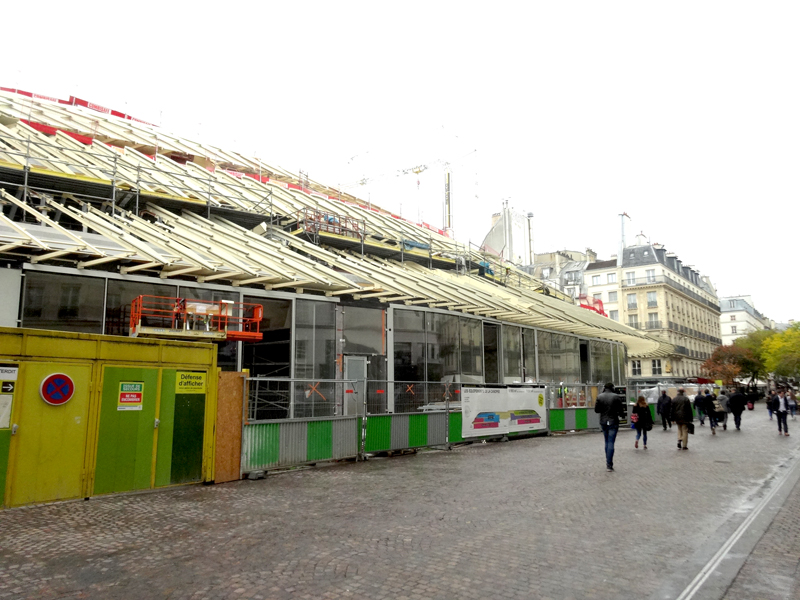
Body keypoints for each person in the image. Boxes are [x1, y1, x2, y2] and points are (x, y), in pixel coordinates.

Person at [595, 382, 623, 471]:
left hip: (603, 421)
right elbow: (621, 410)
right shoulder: (616, 397)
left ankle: (608, 462)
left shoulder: (600, 396)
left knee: (606, 441)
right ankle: (609, 464)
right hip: (613, 421)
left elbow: (597, 410)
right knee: (611, 442)